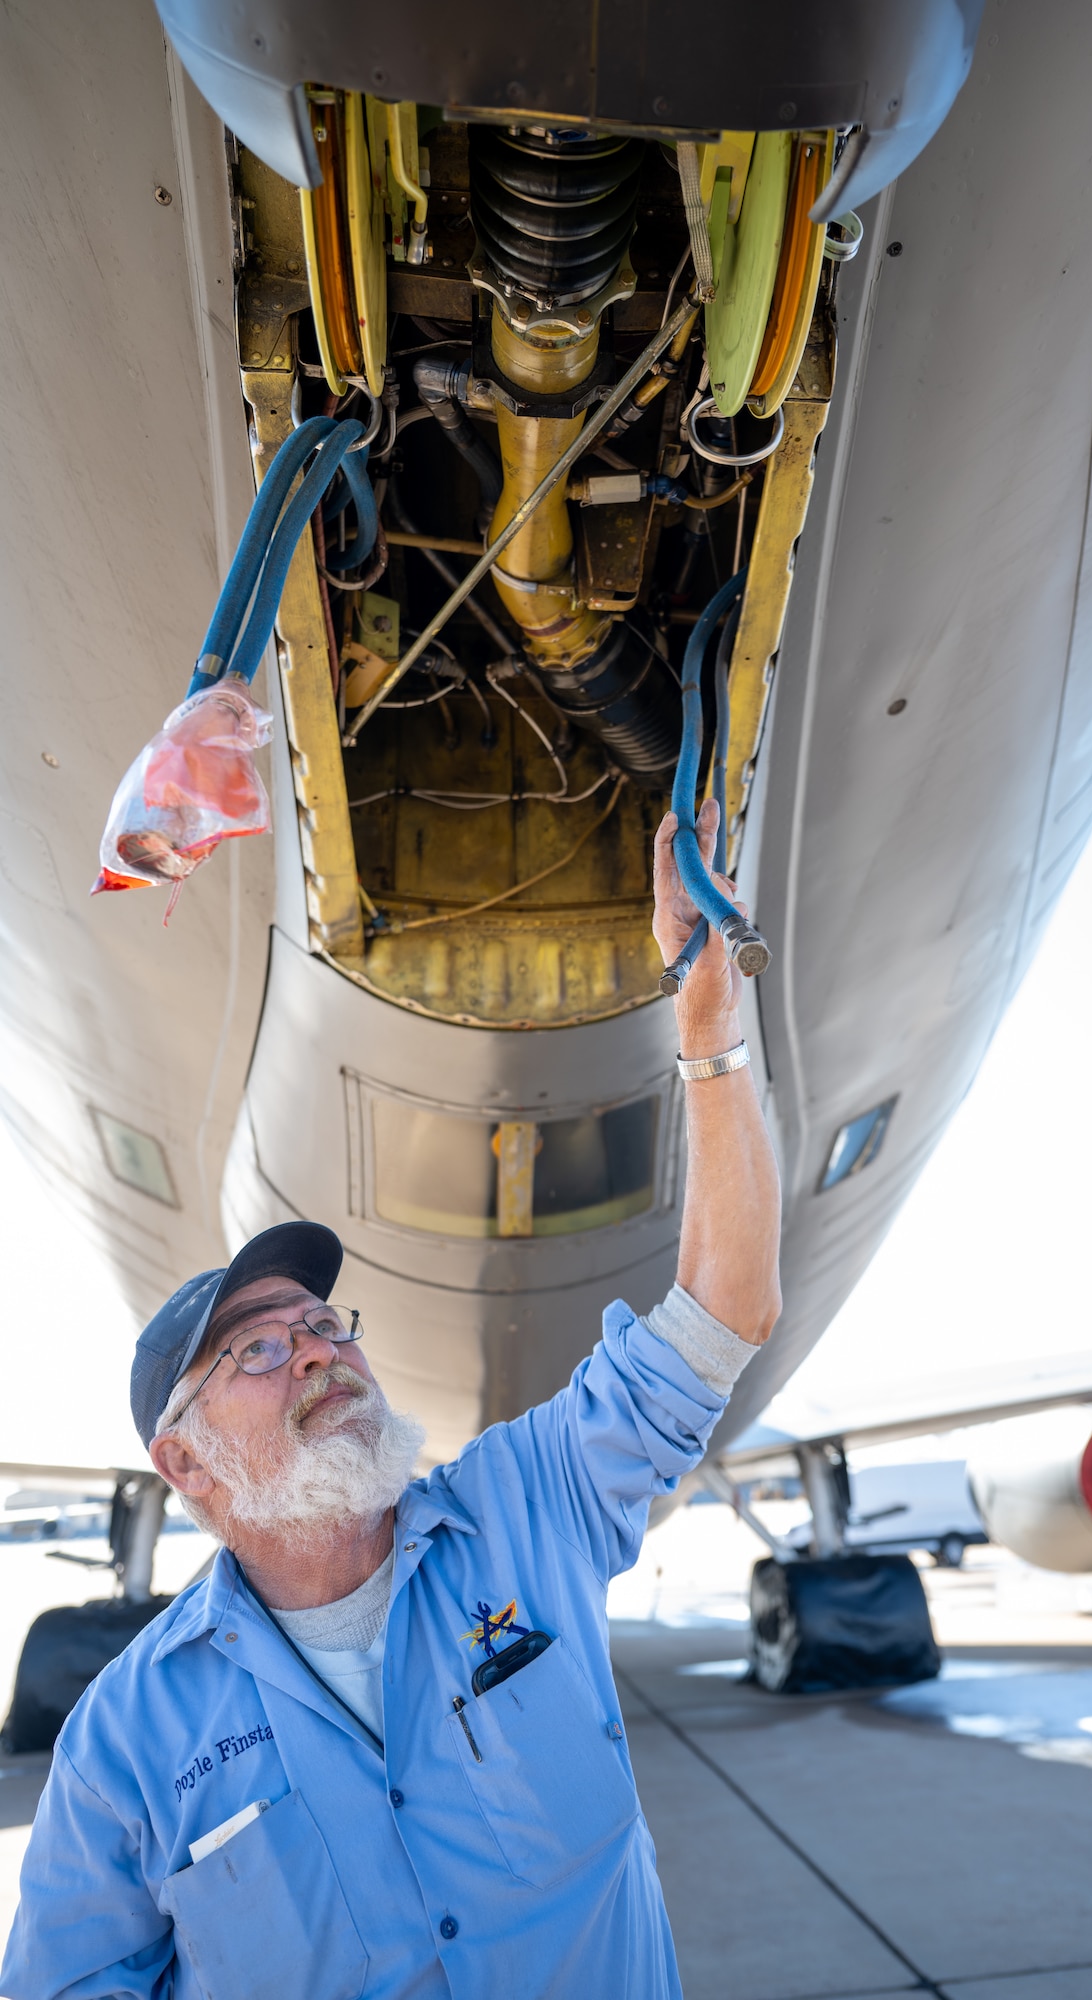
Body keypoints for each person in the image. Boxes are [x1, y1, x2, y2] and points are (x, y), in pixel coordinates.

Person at [2, 799, 782, 2000]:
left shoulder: (529, 1508)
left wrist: (708, 1020)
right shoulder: (124, 1738)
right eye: (256, 1352)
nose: (317, 1348)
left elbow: (719, 1312)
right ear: (190, 1465)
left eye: (320, 1322)